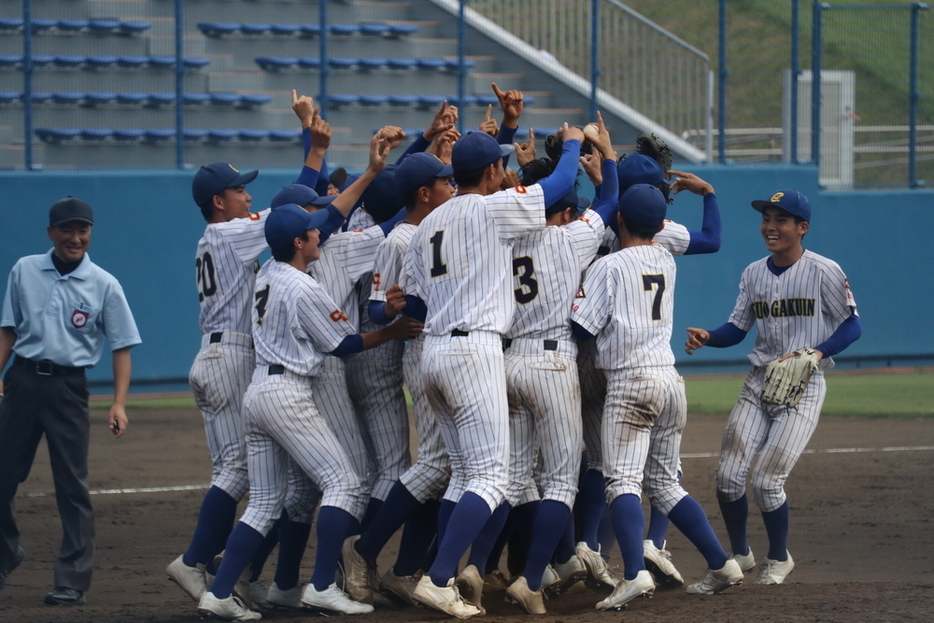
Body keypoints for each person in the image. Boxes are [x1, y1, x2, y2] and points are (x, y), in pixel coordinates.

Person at [197, 205, 420, 621]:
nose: (320, 235)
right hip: (288, 392)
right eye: (312, 232)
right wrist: (390, 332)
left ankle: (220, 592)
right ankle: (320, 587)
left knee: (264, 503)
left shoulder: (266, 272)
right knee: (345, 483)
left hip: (258, 390)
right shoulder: (303, 287)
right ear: (298, 243)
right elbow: (343, 345)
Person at [399, 119, 584, 619]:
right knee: (492, 478)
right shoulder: (490, 209)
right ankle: (439, 579)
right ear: (493, 170)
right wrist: (572, 145)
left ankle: (439, 573)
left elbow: (412, 302)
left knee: (462, 477)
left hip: (431, 351)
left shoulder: (424, 227)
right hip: (473, 349)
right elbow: (561, 186)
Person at [571, 184, 742, 610]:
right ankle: (722, 563)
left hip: (632, 381)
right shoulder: (665, 257)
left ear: (620, 220)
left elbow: (581, 329)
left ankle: (632, 575)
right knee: (663, 483)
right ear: (660, 224)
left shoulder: (607, 266)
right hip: (669, 379)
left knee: (621, 480)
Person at [685, 189, 861, 585]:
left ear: (802, 228)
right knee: (728, 476)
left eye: (781, 220)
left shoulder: (824, 270)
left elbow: (853, 323)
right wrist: (708, 337)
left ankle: (779, 558)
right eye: (767, 218)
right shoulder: (753, 273)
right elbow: (738, 329)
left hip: (804, 384)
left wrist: (817, 352)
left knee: (766, 480)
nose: (770, 226)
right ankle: (741, 554)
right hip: (759, 381)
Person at [501, 113, 620, 615]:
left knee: (507, 479)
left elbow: (538, 195)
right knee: (560, 482)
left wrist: (526, 173)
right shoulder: (569, 238)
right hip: (552, 365)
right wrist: (606, 156)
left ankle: (474, 567)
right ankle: (531, 578)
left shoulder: (502, 240)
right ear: (567, 211)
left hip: (508, 362)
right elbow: (611, 203)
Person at [0, 197, 141, 606]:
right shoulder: (24, 270)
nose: (75, 238)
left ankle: (72, 578)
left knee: (71, 485)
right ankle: (6, 554)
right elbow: (8, 330)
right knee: (3, 476)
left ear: (90, 234)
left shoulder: (104, 284)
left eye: (83, 230)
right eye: (66, 230)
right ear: (51, 233)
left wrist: (119, 403)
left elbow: (122, 347)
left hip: (68, 389)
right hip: (23, 381)